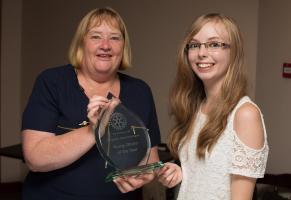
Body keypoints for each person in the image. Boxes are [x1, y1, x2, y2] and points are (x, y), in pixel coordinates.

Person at [21, 7, 161, 200]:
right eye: (96, 36)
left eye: (115, 37)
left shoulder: (140, 91)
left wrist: (143, 175)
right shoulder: (52, 82)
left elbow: (150, 159)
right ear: (81, 43)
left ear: (123, 46)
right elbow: (35, 158)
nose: (105, 45)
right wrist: (95, 129)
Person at [157, 13, 269, 200]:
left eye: (214, 44)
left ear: (233, 52)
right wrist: (181, 173)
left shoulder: (245, 114)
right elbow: (207, 177)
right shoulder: (196, 107)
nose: (201, 53)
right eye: (194, 45)